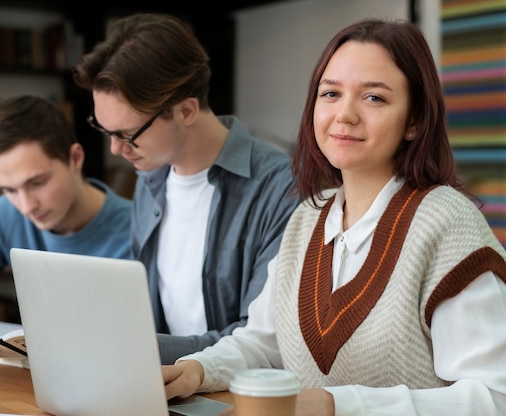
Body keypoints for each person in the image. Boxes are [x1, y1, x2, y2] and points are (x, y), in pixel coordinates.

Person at [163, 18, 506, 416]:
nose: (345, 115)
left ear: (414, 120)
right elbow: (265, 342)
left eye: (374, 98)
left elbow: (495, 396)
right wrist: (199, 369)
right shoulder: (306, 218)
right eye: (330, 94)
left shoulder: (448, 225)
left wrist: (337, 404)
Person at [73, 13, 299, 365]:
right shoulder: (150, 182)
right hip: (158, 386)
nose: (116, 149)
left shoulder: (282, 189)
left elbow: (262, 339)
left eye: (127, 134)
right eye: (106, 131)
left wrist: (142, 349)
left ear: (187, 110)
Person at [0, 95, 132, 333]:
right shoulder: (4, 216)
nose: (26, 207)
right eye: (9, 190)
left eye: (37, 183)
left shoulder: (140, 231)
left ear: (75, 159)